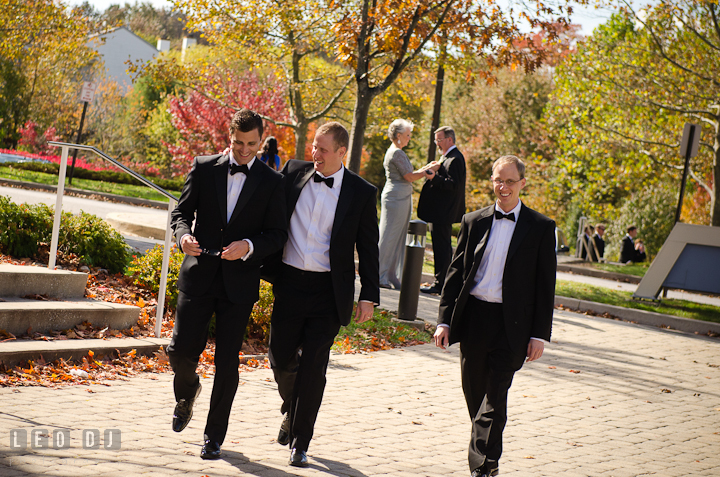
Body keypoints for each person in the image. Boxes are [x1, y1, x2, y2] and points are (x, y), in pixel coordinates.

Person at [167, 109, 288, 460]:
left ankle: (214, 436)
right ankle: (188, 391)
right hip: (199, 274)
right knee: (179, 351)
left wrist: (248, 246)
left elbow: (278, 234)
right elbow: (180, 212)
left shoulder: (272, 181)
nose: (244, 150)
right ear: (229, 136)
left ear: (261, 140)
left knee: (227, 362)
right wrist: (183, 235)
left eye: (252, 144)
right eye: (238, 143)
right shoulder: (204, 167)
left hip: (239, 285)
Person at [433, 155, 556, 477]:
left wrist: (539, 335)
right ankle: (490, 460)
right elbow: (455, 274)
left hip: (512, 326)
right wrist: (443, 320)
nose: (502, 187)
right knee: (475, 395)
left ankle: (481, 466)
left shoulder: (541, 228)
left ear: (522, 184)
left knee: (495, 394)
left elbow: (546, 286)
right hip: (474, 319)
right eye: (497, 180)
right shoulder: (474, 221)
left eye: (509, 181)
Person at [267, 122, 380, 468]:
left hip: (328, 293)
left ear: (342, 153)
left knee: (314, 367)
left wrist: (368, 295)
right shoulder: (293, 172)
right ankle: (293, 406)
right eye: (314, 147)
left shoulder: (361, 192)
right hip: (289, 283)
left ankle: (300, 442)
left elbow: (369, 247)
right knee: (279, 356)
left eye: (323, 149)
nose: (315, 154)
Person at [378, 119, 439, 289]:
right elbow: (410, 177)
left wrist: (427, 167)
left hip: (401, 197)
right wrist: (429, 171)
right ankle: (380, 274)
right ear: (398, 136)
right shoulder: (396, 153)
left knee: (397, 237)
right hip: (396, 198)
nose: (409, 138)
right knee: (389, 236)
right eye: (407, 135)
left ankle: (391, 275)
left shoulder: (397, 152)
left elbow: (410, 173)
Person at [418, 126, 466, 294]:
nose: (437, 143)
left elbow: (454, 185)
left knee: (442, 248)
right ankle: (442, 283)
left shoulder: (456, 159)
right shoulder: (447, 157)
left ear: (450, 140)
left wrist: (434, 177)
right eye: (435, 140)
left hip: (444, 213)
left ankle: (441, 284)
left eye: (439, 140)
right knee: (441, 247)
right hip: (439, 212)